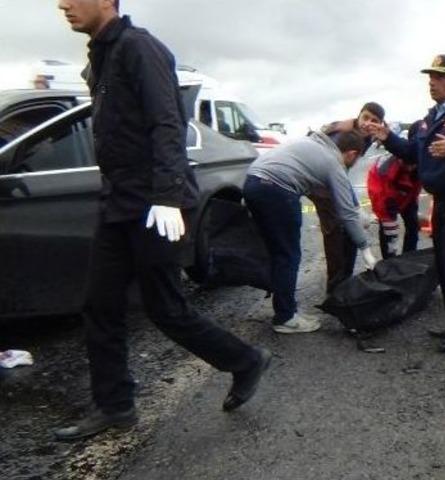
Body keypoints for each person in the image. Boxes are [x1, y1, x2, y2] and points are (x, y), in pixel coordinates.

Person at [54, 0, 270, 442]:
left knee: (166, 309)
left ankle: (245, 360)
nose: (63, 4)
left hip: (155, 205)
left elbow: (166, 123)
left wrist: (169, 196)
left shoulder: (139, 47)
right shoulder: (100, 56)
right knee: (99, 304)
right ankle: (115, 406)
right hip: (118, 204)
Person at [369, 54, 445, 352]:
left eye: (440, 76)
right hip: (443, 201)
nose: (432, 82)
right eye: (430, 77)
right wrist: (387, 137)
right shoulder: (430, 118)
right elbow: (414, 153)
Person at [243, 130, 377, 334]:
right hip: (277, 191)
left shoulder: (312, 143)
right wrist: (365, 249)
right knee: (288, 256)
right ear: (351, 153)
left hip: (253, 181)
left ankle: (287, 309)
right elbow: (347, 213)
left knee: (278, 252)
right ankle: (285, 318)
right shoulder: (333, 163)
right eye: (356, 159)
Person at [316, 102, 385, 292]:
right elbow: (335, 173)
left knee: (349, 227)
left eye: (374, 121)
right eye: (365, 117)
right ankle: (336, 287)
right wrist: (353, 206)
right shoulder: (344, 134)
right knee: (335, 231)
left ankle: (344, 278)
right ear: (358, 116)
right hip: (320, 183)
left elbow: (343, 177)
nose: (368, 123)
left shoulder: (368, 138)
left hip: (336, 181)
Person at [366, 131, 421, 258]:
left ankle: (410, 257)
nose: (412, 167)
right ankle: (389, 261)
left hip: (408, 194)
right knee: (388, 231)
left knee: (413, 224)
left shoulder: (419, 163)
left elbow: (417, 186)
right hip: (385, 195)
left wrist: (413, 202)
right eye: (409, 164)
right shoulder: (383, 170)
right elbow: (381, 203)